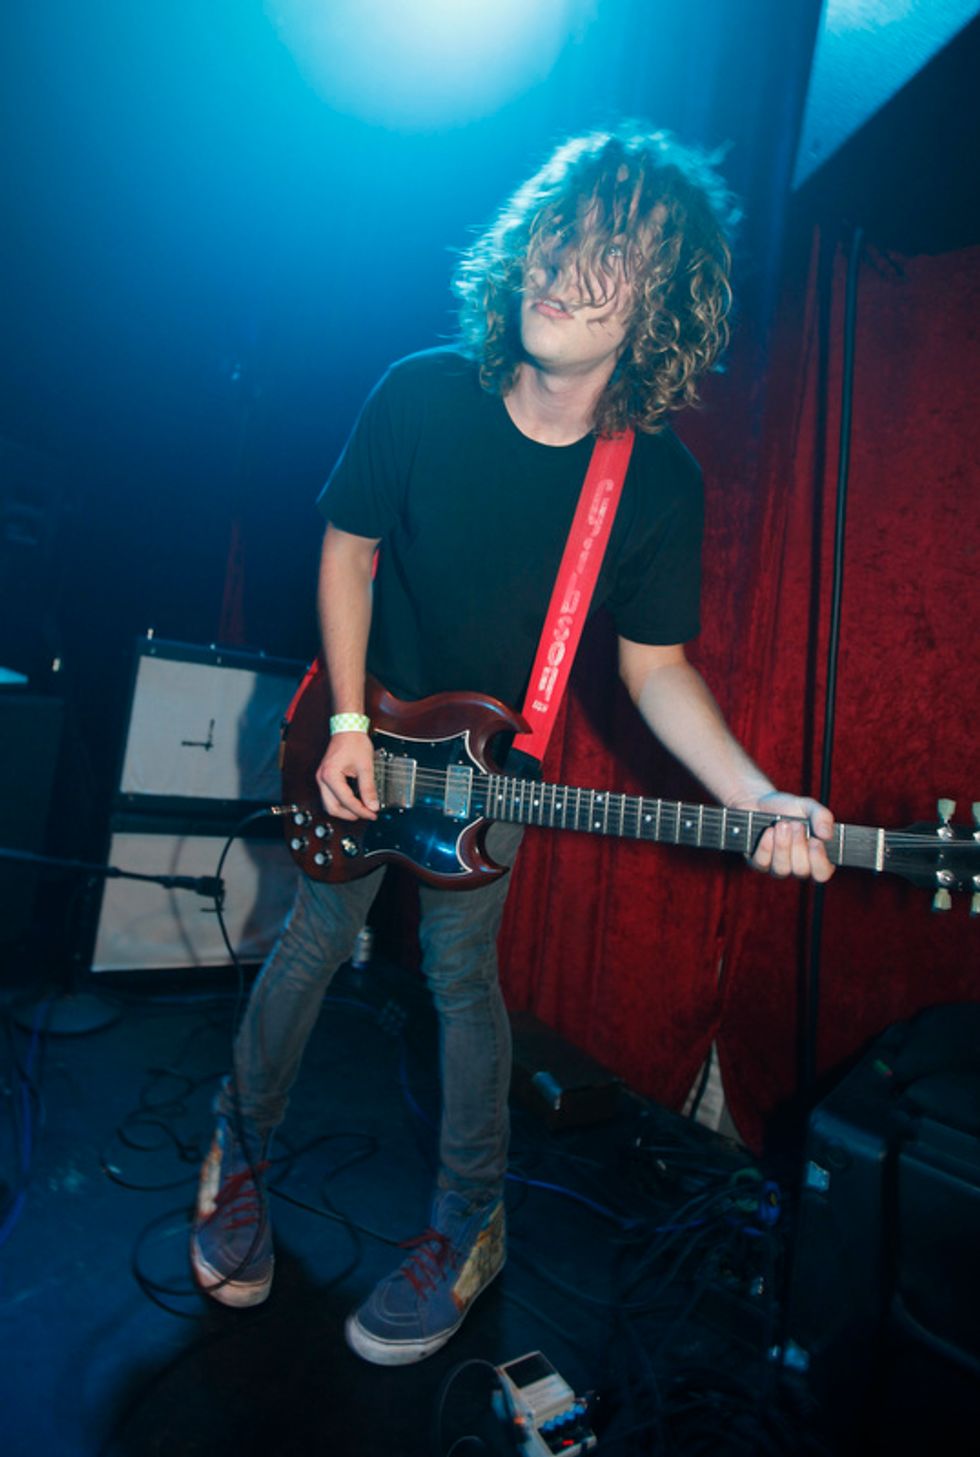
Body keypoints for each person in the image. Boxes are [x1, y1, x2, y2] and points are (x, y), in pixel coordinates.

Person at [190, 126, 835, 1365]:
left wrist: (756, 794)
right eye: (554, 229)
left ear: (659, 304)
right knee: (314, 938)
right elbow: (347, 549)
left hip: (488, 773)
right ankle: (238, 1149)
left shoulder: (655, 483)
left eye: (609, 250)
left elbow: (655, 668)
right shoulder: (421, 393)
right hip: (360, 729)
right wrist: (345, 719)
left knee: (460, 978)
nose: (560, 261)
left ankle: (468, 1223)